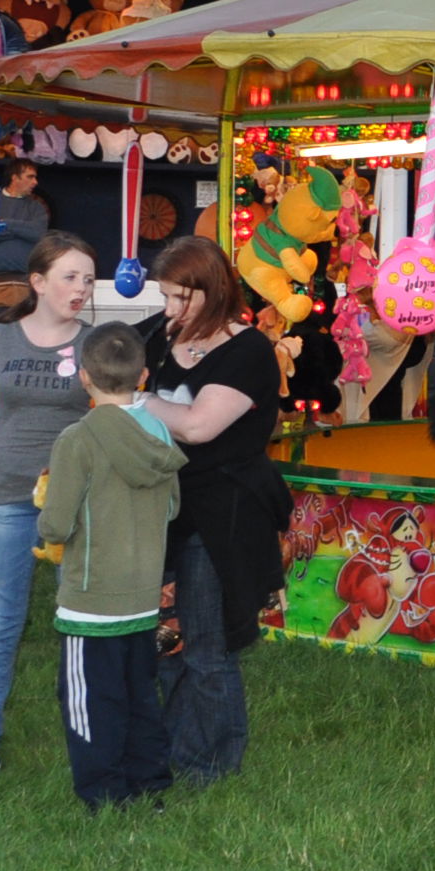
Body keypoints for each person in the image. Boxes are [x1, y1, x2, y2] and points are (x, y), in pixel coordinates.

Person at [0, 231, 99, 777]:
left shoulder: (94, 345)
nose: (81, 289)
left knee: (80, 616)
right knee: (0, 620)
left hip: (75, 503)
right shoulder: (0, 340)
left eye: (88, 279)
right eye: (70, 277)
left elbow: (115, 418)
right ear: (38, 282)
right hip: (7, 496)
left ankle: (87, 725)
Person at [140, 236, 294, 782]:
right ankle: (179, 752)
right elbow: (102, 366)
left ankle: (214, 767)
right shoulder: (159, 337)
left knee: (207, 645)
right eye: (165, 296)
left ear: (213, 290)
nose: (169, 309)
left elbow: (200, 425)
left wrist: (137, 403)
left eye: (182, 297)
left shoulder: (249, 351)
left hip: (222, 515)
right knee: (166, 642)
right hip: (163, 509)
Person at [33, 321, 187, 811]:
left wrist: (45, 510)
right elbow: (172, 510)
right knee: (140, 697)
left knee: (90, 701)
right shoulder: (159, 433)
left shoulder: (76, 440)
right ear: (143, 376)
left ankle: (104, 794)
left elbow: (56, 525)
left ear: (84, 377)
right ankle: (150, 786)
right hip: (142, 597)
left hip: (90, 601)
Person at [0, 156, 50, 317]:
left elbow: (38, 233)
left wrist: (5, 224)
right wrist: (21, 230)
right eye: (30, 177)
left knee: (27, 334)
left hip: (27, 282)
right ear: (15, 177)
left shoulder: (36, 207)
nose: (35, 182)